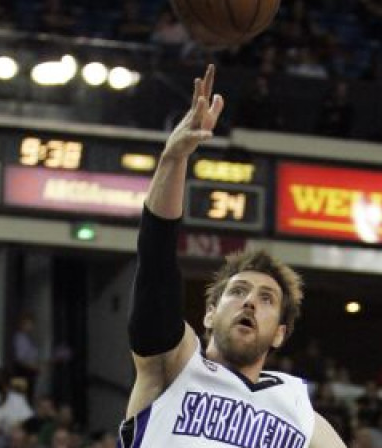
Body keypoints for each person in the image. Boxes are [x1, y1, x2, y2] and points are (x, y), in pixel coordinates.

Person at [119, 64, 346, 448]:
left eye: (266, 299)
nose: (251, 303)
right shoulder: (174, 366)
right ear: (209, 313)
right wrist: (173, 160)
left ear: (279, 334)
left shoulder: (305, 420)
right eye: (238, 291)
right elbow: (156, 264)